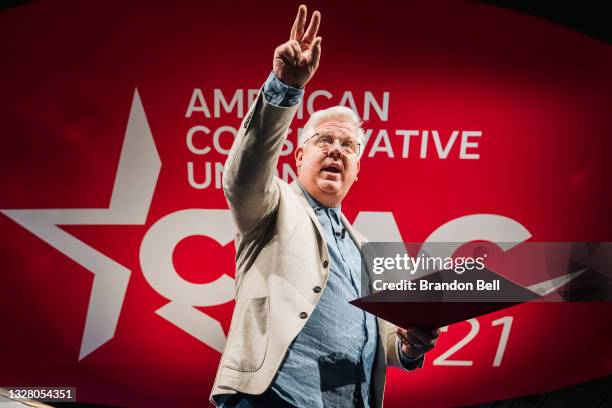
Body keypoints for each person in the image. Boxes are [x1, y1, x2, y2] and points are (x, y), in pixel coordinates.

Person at [210, 5, 439, 408]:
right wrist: (285, 88)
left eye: (348, 145)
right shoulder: (272, 207)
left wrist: (408, 347)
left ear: (357, 172)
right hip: (274, 400)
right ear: (298, 157)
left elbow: (379, 341)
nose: (336, 149)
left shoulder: (363, 247)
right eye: (324, 141)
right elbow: (242, 175)